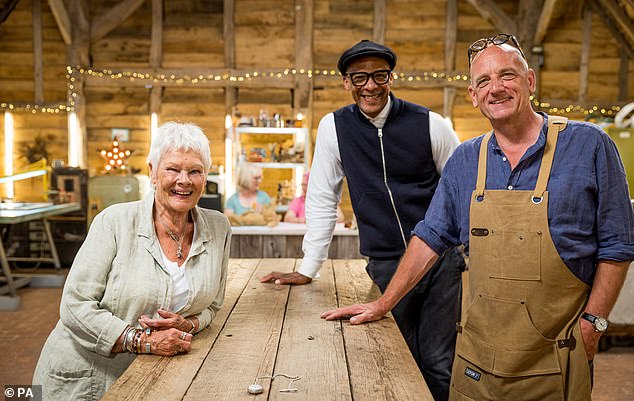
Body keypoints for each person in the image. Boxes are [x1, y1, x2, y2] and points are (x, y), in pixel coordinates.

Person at [322, 34, 634, 401]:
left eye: (507, 76)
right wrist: (382, 303)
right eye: (483, 81)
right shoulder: (466, 160)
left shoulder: (589, 145)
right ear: (473, 95)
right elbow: (431, 235)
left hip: (558, 355)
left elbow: (617, 244)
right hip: (478, 358)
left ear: (530, 81)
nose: (496, 88)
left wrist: (594, 324)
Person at [261, 39, 465, 401]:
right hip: (385, 263)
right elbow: (323, 197)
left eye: (378, 76)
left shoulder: (432, 124)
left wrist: (466, 255)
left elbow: (460, 195)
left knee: (438, 361)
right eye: (359, 78)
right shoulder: (334, 128)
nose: (369, 85)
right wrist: (309, 266)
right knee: (394, 357)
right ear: (346, 83)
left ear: (390, 78)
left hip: (439, 263)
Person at [33, 122, 231, 400]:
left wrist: (188, 325)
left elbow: (213, 305)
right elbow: (75, 305)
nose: (183, 180)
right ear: (152, 171)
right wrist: (143, 341)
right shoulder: (113, 222)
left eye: (195, 171)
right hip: (89, 377)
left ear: (205, 175)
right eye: (172, 169)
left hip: (155, 380)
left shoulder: (219, 227)